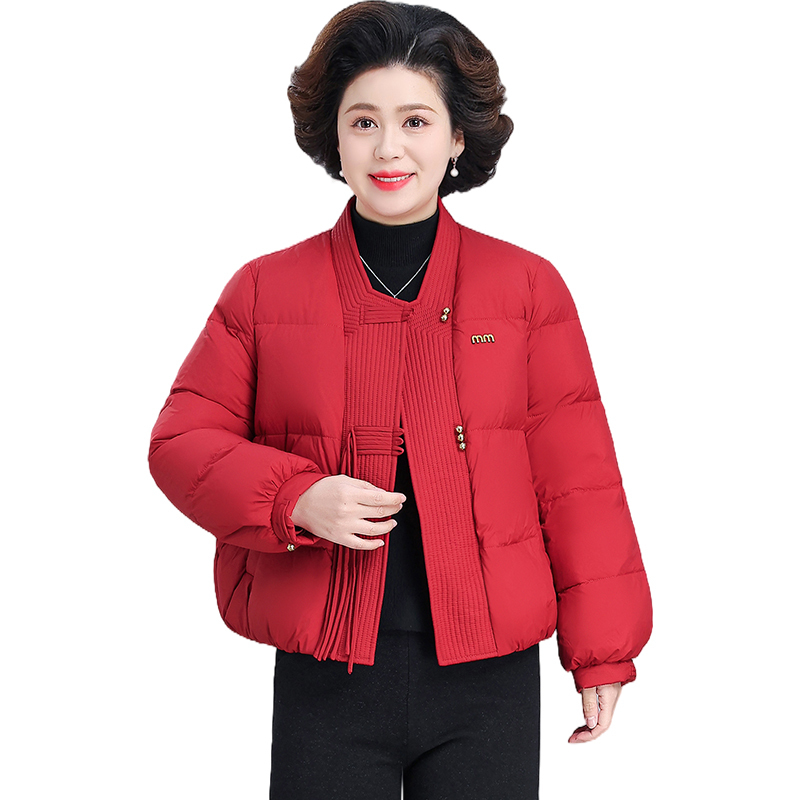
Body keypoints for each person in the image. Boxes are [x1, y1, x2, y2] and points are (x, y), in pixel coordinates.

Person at [148, 2, 653, 797]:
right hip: (327, 674)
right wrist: (295, 497)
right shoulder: (264, 289)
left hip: (490, 683)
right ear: (334, 136)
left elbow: (578, 479)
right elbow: (181, 443)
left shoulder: (527, 288)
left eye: (416, 121)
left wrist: (603, 650)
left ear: (457, 138)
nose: (389, 148)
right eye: (364, 122)